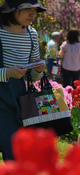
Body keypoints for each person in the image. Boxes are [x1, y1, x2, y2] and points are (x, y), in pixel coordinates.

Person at [0, 0, 47, 160]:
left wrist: (38, 71)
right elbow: (8, 73)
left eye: (35, 9)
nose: (32, 14)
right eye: (27, 9)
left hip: (18, 102)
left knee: (16, 153)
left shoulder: (32, 34)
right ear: (12, 10)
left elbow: (32, 77)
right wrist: (8, 73)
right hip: (2, 99)